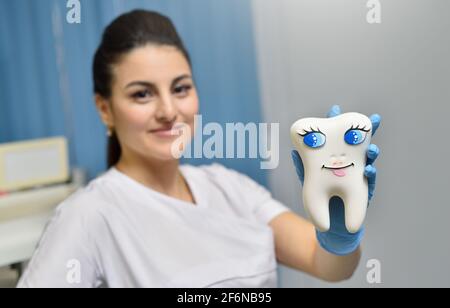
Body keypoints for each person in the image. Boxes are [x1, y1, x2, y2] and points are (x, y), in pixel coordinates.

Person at [17, 10, 380, 288]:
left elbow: (329, 266)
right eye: (142, 94)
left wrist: (340, 231)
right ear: (105, 109)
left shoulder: (228, 187)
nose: (168, 110)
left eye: (180, 88)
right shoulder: (89, 216)